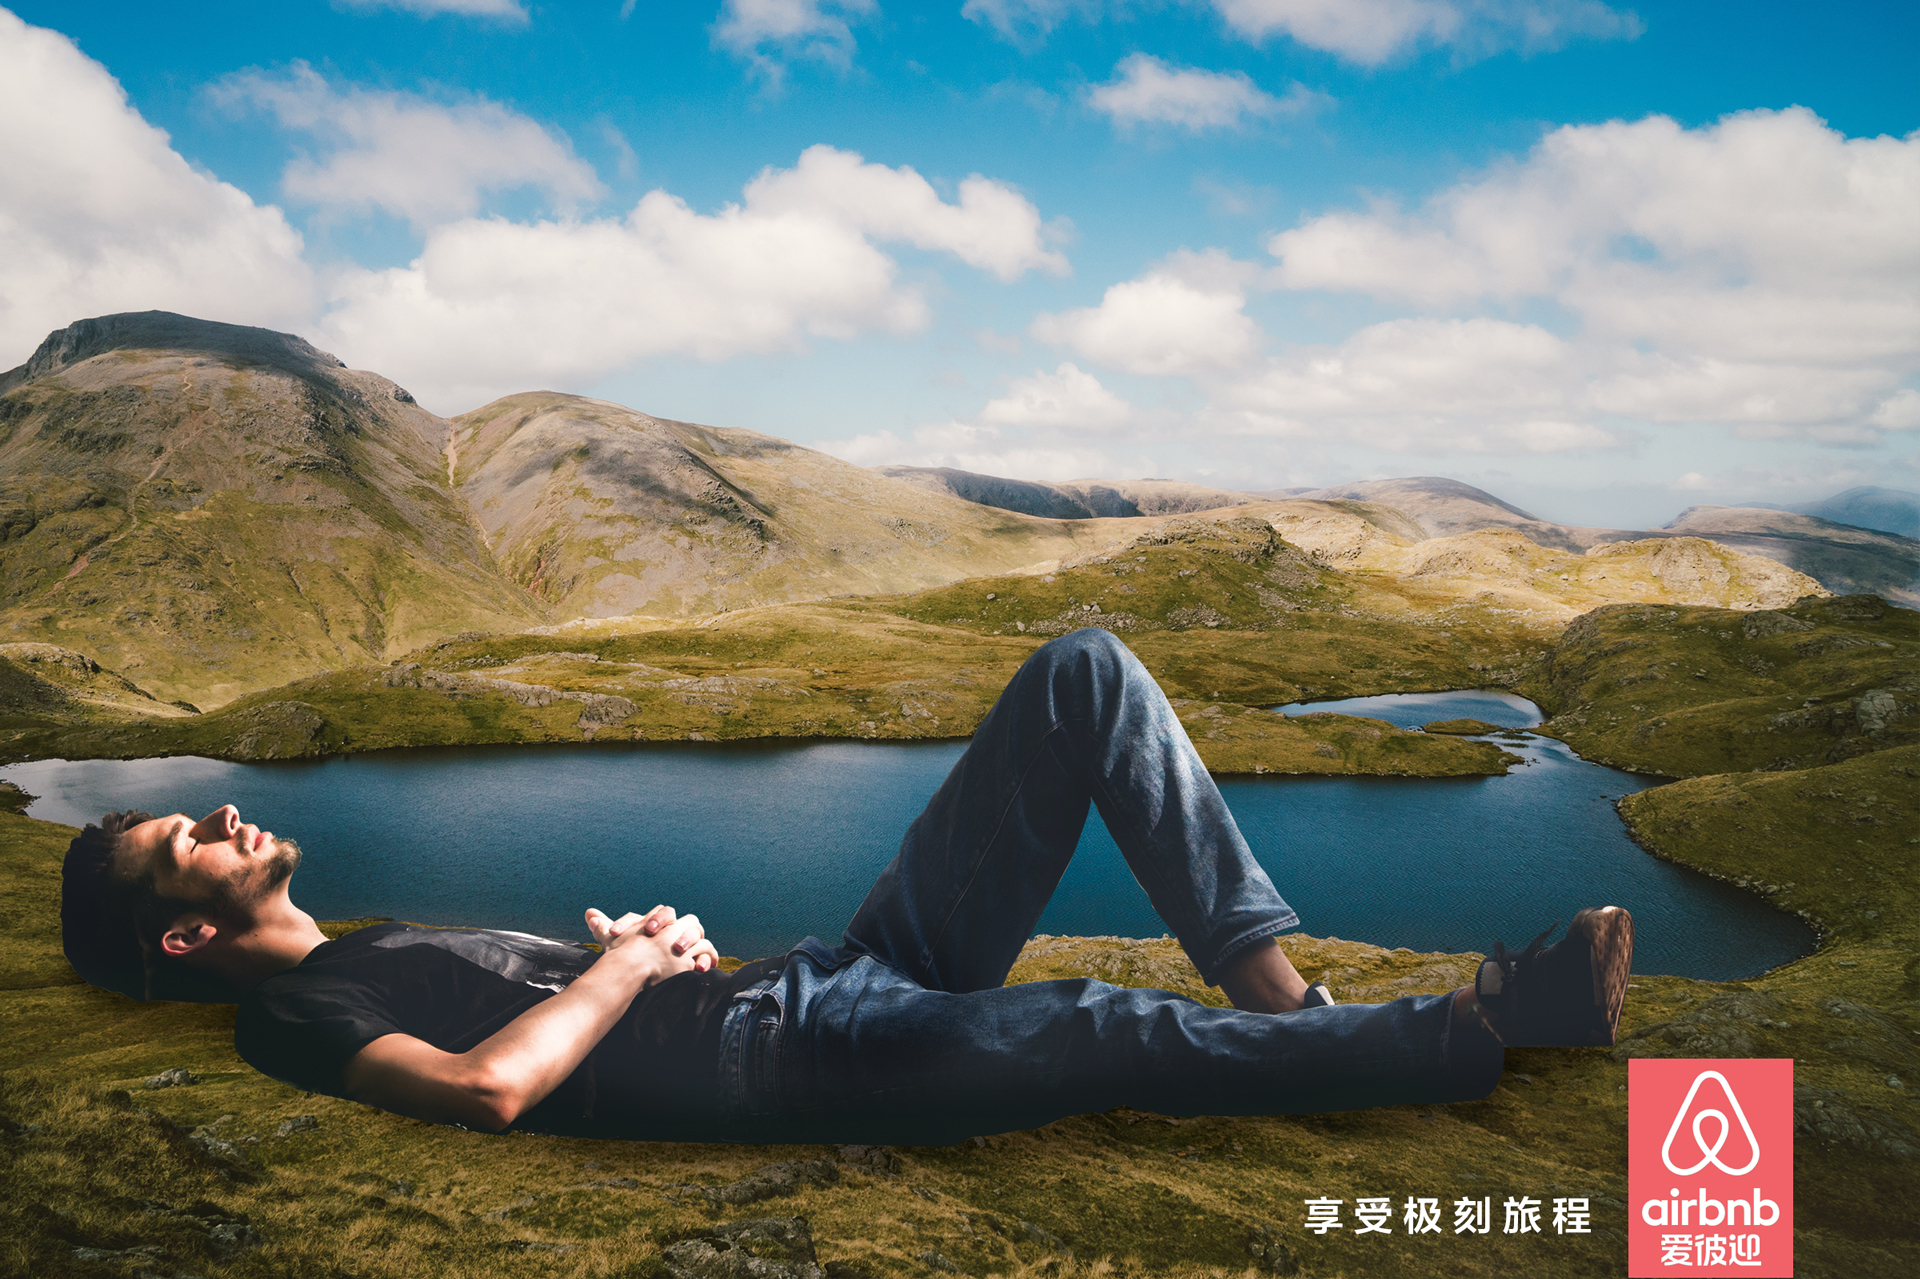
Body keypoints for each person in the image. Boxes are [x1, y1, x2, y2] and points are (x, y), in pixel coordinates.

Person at [60, 629, 1633, 1145]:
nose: (222, 813)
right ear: (185, 934)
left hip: (813, 981)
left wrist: (642, 949)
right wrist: (626, 973)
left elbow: (547, 1016)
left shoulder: (377, 937)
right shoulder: (295, 1013)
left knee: (1084, 675)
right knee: (1095, 1026)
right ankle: (1493, 1026)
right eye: (184, 838)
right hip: (798, 1061)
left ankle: (1280, 992)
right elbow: (488, 1091)